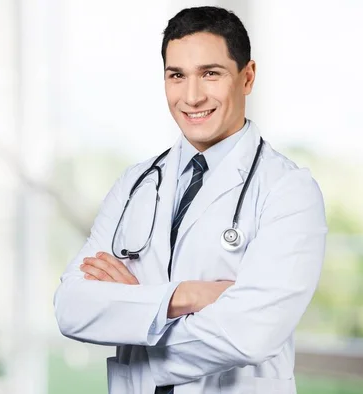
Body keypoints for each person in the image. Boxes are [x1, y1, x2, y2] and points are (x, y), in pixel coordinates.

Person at [53, 6, 327, 394]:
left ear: (247, 77)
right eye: (176, 76)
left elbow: (249, 333)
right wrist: (189, 296)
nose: (192, 96)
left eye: (210, 74)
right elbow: (72, 308)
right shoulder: (136, 184)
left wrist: (135, 315)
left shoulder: (289, 191)